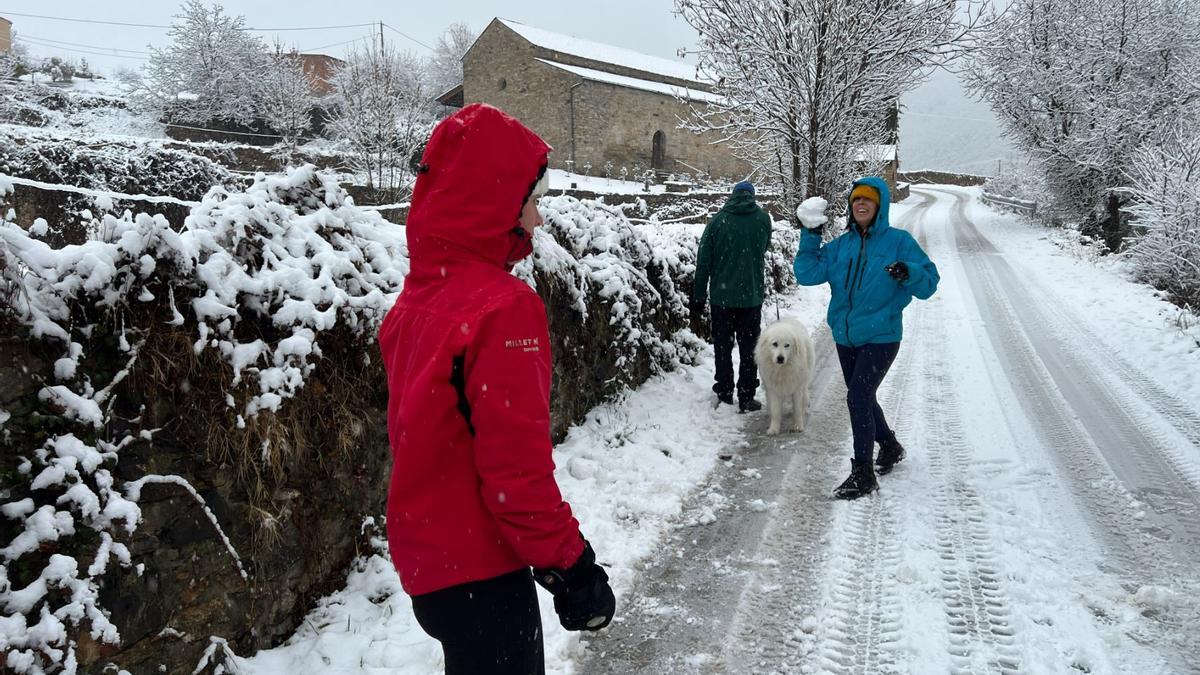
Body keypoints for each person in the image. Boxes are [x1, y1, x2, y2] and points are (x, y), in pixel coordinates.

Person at [378, 103, 615, 674]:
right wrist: (573, 566)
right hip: (481, 574)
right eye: (531, 199)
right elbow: (515, 472)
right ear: (495, 201)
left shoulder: (416, 300)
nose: (538, 218)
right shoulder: (503, 308)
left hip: (428, 564)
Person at [793, 177, 939, 499]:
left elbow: (929, 283)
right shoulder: (841, 246)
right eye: (856, 200)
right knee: (864, 396)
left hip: (882, 336)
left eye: (868, 200)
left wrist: (909, 272)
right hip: (846, 337)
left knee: (858, 398)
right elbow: (806, 273)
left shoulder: (898, 242)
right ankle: (889, 445)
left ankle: (863, 474)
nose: (861, 204)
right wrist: (811, 234)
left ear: (879, 206)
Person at [690, 180, 773, 413]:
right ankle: (746, 395)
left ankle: (725, 393)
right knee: (749, 348)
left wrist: (698, 296)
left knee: (723, 347)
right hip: (751, 297)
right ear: (752, 196)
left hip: (722, 299)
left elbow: (703, 261)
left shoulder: (717, 221)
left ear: (732, 195)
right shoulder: (763, 219)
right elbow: (764, 247)